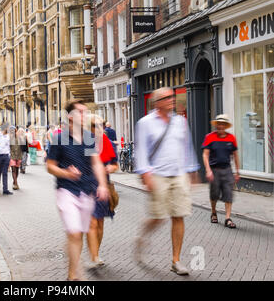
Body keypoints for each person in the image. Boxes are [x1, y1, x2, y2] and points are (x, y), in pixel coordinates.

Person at [134, 87, 200, 276]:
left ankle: (176, 260)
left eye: (172, 96)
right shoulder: (145, 123)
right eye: (167, 97)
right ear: (157, 102)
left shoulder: (180, 121)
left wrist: (192, 170)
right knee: (158, 217)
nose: (172, 99)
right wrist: (145, 174)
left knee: (178, 215)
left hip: (178, 174)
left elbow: (187, 147)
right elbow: (141, 152)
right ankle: (142, 237)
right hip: (158, 175)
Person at [46, 100, 109, 281]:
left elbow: (96, 163)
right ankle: (74, 277)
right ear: (70, 117)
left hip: (86, 191)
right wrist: (65, 172)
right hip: (66, 190)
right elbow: (50, 167)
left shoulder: (89, 138)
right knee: (74, 232)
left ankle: (71, 274)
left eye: (85, 112)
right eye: (81, 112)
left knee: (77, 234)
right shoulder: (59, 139)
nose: (85, 115)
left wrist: (103, 185)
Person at [86, 114, 119, 268]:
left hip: (103, 185)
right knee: (92, 223)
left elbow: (115, 164)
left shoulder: (107, 142)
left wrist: (110, 168)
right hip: (86, 186)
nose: (98, 128)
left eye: (101, 125)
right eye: (94, 125)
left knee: (99, 223)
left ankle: (96, 253)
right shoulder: (83, 142)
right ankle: (93, 255)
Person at [202, 114, 240, 229]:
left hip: (227, 169)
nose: (220, 126)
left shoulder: (231, 138)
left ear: (226, 126)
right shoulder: (209, 137)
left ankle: (228, 218)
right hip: (214, 170)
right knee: (214, 194)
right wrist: (208, 170)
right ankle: (213, 212)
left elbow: (235, 155)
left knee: (228, 193)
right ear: (216, 125)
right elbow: (205, 154)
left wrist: (237, 171)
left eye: (223, 124)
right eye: (219, 124)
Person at [9, 126, 23, 190]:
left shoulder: (20, 137)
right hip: (12, 155)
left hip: (19, 155)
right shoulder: (9, 138)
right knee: (13, 170)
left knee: (17, 170)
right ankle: (16, 183)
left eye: (13, 130)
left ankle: (14, 181)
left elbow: (24, 146)